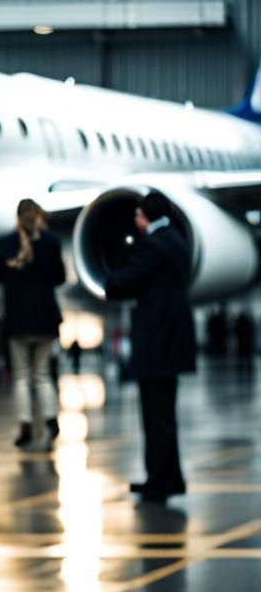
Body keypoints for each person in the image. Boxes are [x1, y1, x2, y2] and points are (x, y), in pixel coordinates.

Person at [104, 191, 196, 502]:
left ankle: (159, 480)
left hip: (156, 337)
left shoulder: (153, 245)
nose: (136, 222)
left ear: (148, 217)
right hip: (174, 337)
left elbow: (126, 282)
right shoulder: (177, 240)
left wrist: (111, 277)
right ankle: (170, 477)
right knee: (165, 413)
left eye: (139, 216)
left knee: (154, 413)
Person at [0, 198, 66, 449]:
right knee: (43, 374)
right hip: (45, 320)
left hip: (17, 321)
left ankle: (24, 425)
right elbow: (60, 277)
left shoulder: (5, 244)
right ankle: (51, 419)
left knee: (22, 377)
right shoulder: (51, 242)